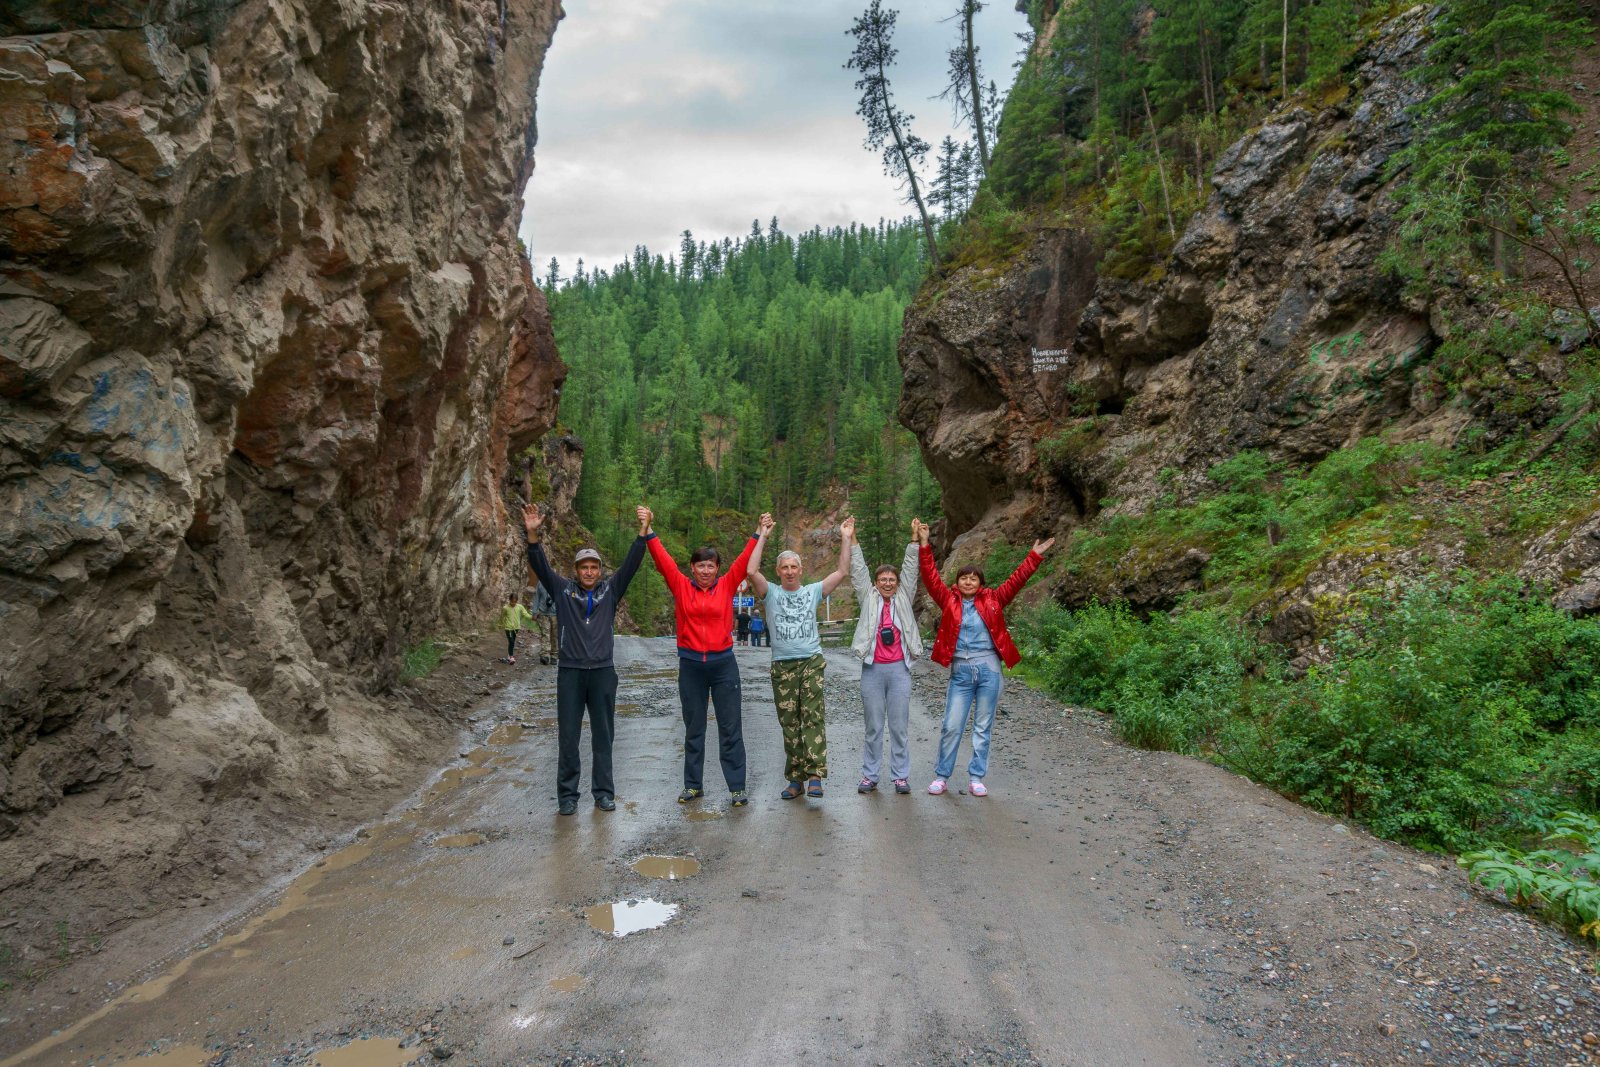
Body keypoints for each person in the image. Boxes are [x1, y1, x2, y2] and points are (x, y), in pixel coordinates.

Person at [523, 503, 649, 816]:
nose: (589, 572)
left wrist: (643, 532)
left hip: (604, 672)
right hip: (571, 673)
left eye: (594, 567)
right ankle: (567, 797)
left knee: (603, 737)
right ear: (576, 571)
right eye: (584, 567)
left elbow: (632, 564)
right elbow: (540, 565)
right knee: (568, 737)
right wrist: (532, 534)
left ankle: (603, 794)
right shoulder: (563, 591)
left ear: (600, 570)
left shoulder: (611, 591)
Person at [916, 518, 1054, 798]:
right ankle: (942, 776)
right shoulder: (948, 600)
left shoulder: (994, 599)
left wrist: (1033, 557)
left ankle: (976, 777)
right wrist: (924, 545)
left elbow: (1016, 581)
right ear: (957, 583)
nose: (968, 581)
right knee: (952, 725)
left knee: (982, 726)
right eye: (963, 577)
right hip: (961, 671)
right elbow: (930, 578)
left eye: (973, 578)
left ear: (981, 583)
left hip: (989, 670)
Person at [640, 505, 765, 806]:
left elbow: (744, 561)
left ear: (717, 569)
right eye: (701, 566)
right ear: (692, 568)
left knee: (730, 725)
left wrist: (759, 532)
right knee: (694, 727)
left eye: (711, 566)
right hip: (692, 665)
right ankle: (693, 785)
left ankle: (737, 787)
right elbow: (663, 561)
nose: (706, 571)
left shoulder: (727, 585)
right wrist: (649, 529)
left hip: (723, 665)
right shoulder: (681, 586)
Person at [746, 514, 851, 799]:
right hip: (782, 666)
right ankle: (795, 779)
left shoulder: (813, 592)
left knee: (812, 717)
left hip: (811, 661)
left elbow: (842, 571)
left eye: (794, 567)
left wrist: (845, 537)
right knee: (789, 721)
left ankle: (815, 774)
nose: (790, 571)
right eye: (785, 567)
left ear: (801, 570)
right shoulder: (771, 594)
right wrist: (762, 536)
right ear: (778, 571)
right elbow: (751, 570)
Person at [847, 518, 924, 795]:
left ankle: (901, 777)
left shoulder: (904, 596)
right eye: (883, 580)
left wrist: (914, 539)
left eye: (892, 580)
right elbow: (858, 571)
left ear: (897, 583)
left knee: (900, 728)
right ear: (876, 583)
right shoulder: (868, 597)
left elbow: (911, 569)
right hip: (873, 670)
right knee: (873, 727)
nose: (888, 583)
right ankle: (870, 776)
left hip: (900, 670)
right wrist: (853, 537)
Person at [498, 593, 534, 664]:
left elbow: (525, 614)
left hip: (517, 627)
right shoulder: (505, 608)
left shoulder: (520, 607)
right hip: (508, 628)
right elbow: (502, 617)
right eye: (512, 602)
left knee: (512, 642)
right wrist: (500, 624)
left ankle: (509, 656)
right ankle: (511, 657)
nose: (513, 603)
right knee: (511, 641)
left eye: (515, 602)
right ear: (509, 600)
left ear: (517, 601)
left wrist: (532, 617)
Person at [531, 579, 559, 664]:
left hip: (555, 614)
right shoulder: (540, 583)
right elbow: (537, 597)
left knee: (555, 635)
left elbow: (562, 598)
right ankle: (545, 655)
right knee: (545, 634)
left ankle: (554, 655)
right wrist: (534, 611)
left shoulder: (556, 583)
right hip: (543, 613)